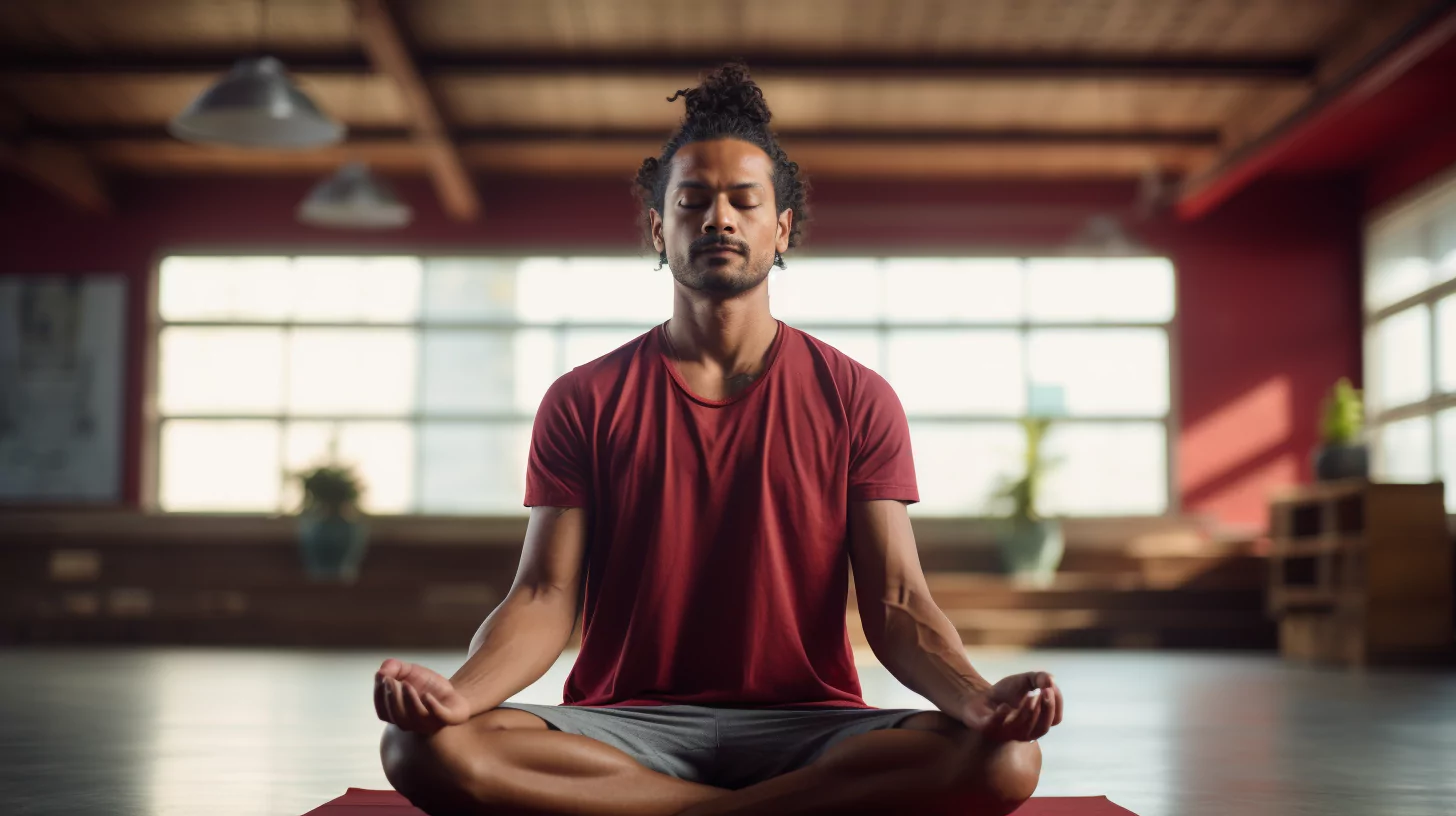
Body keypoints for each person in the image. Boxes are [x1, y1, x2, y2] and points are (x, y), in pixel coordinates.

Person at [374, 63, 1063, 816]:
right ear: (658, 229)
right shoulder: (584, 399)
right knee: (418, 748)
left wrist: (978, 700)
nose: (718, 219)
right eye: (692, 202)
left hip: (809, 725)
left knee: (1007, 762)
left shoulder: (857, 397)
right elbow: (542, 596)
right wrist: (455, 695)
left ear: (782, 228)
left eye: (744, 201)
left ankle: (668, 810)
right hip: (624, 724)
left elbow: (898, 603)